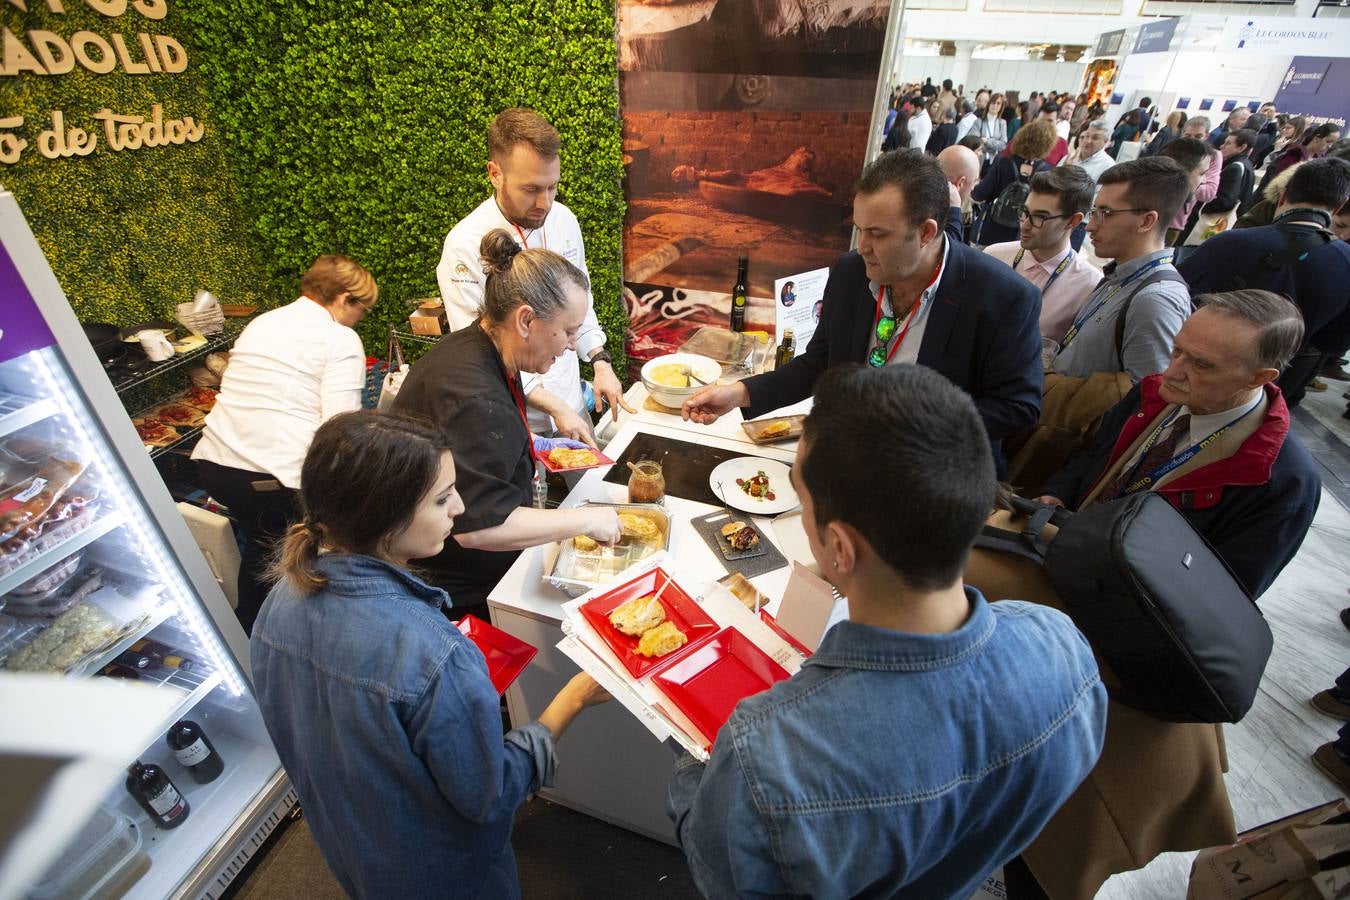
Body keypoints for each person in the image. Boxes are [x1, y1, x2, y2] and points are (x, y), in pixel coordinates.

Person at [667, 364, 1107, 900]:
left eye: (802, 503)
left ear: (840, 548)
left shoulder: (765, 752)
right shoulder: (1061, 645)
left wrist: (694, 757)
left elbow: (722, 874)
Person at [251, 410, 611, 900]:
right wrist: (571, 699)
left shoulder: (278, 602)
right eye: (442, 498)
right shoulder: (434, 655)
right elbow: (490, 796)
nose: (460, 508)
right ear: (385, 514)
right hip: (443, 874)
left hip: (354, 848)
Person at [681, 149, 1043, 476]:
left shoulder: (1003, 297)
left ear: (926, 232)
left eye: (877, 234)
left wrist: (914, 425)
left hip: (938, 474)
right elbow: (820, 363)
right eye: (858, 230)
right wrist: (739, 393)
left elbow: (1018, 406)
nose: (863, 247)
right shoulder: (851, 272)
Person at [394, 231, 622, 613]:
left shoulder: (478, 345)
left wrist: (536, 442)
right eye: (567, 331)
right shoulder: (474, 394)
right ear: (526, 320)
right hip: (452, 581)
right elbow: (480, 527)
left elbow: (472, 444)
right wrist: (584, 520)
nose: (570, 345)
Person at [1040, 290, 1319, 599]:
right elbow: (1093, 455)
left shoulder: (1283, 482)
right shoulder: (1153, 394)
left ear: (1258, 377)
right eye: (1177, 350)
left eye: (1202, 365)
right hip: (1058, 552)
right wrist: (1057, 493)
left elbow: (1224, 600)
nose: (1171, 372)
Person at [192, 255, 377, 635]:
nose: (361, 317)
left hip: (214, 461)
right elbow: (338, 427)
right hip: (270, 473)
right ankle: (269, 645)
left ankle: (259, 636)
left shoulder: (264, 322)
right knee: (287, 563)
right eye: (363, 308)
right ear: (343, 298)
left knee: (262, 552)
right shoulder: (339, 338)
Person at [434, 108, 627, 440]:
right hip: (515, 413)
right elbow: (483, 350)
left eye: (553, 187)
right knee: (529, 490)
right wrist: (553, 407)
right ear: (495, 173)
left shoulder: (564, 219)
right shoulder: (464, 245)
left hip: (569, 396)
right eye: (531, 189)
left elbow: (581, 301)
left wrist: (599, 360)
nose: (546, 203)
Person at [1179, 158, 1350, 407]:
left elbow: (1174, 298)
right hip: (1264, 393)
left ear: (1283, 194)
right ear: (1339, 206)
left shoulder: (1231, 243)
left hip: (1193, 373)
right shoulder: (1345, 263)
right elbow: (1333, 343)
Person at [1048, 157, 1192, 382]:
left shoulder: (1155, 300)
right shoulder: (1120, 274)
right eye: (1094, 211)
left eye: (1105, 213)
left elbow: (1143, 397)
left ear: (1146, 222)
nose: (1091, 225)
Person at [984, 166, 1103, 342]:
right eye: (1025, 212)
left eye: (1040, 217)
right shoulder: (994, 256)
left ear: (1073, 220)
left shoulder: (1090, 285)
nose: (1024, 225)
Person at [972, 119, 1057, 246]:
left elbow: (980, 194)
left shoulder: (1003, 162)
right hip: (1020, 235)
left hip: (990, 229)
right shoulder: (1047, 172)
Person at [1193, 128, 1257, 233]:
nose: (1222, 146)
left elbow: (1225, 201)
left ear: (1242, 147)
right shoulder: (1247, 165)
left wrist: (1205, 199)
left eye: (1228, 143)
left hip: (1216, 220)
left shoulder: (1235, 167)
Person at [1169, 116, 1221, 245]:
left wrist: (1185, 182)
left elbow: (1209, 192)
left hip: (1176, 220)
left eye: (1198, 136)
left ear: (1206, 136)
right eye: (1188, 136)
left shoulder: (1212, 156)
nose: (1192, 141)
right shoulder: (1173, 149)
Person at [1256, 122, 1342, 198]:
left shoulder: (1320, 161)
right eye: (1328, 141)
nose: (1330, 146)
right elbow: (1277, 186)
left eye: (1333, 143)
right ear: (1316, 138)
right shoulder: (1293, 155)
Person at [938, 143, 983, 242]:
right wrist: (954, 211)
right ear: (960, 183)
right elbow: (951, 250)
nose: (972, 189)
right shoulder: (946, 213)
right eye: (974, 182)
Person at [978, 93, 1010, 160]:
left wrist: (987, 141)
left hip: (993, 160)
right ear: (989, 104)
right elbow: (975, 141)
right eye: (993, 102)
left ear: (1001, 107)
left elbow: (1003, 145)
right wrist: (995, 143)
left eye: (998, 103)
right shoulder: (978, 121)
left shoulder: (1002, 123)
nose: (995, 105)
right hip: (978, 158)